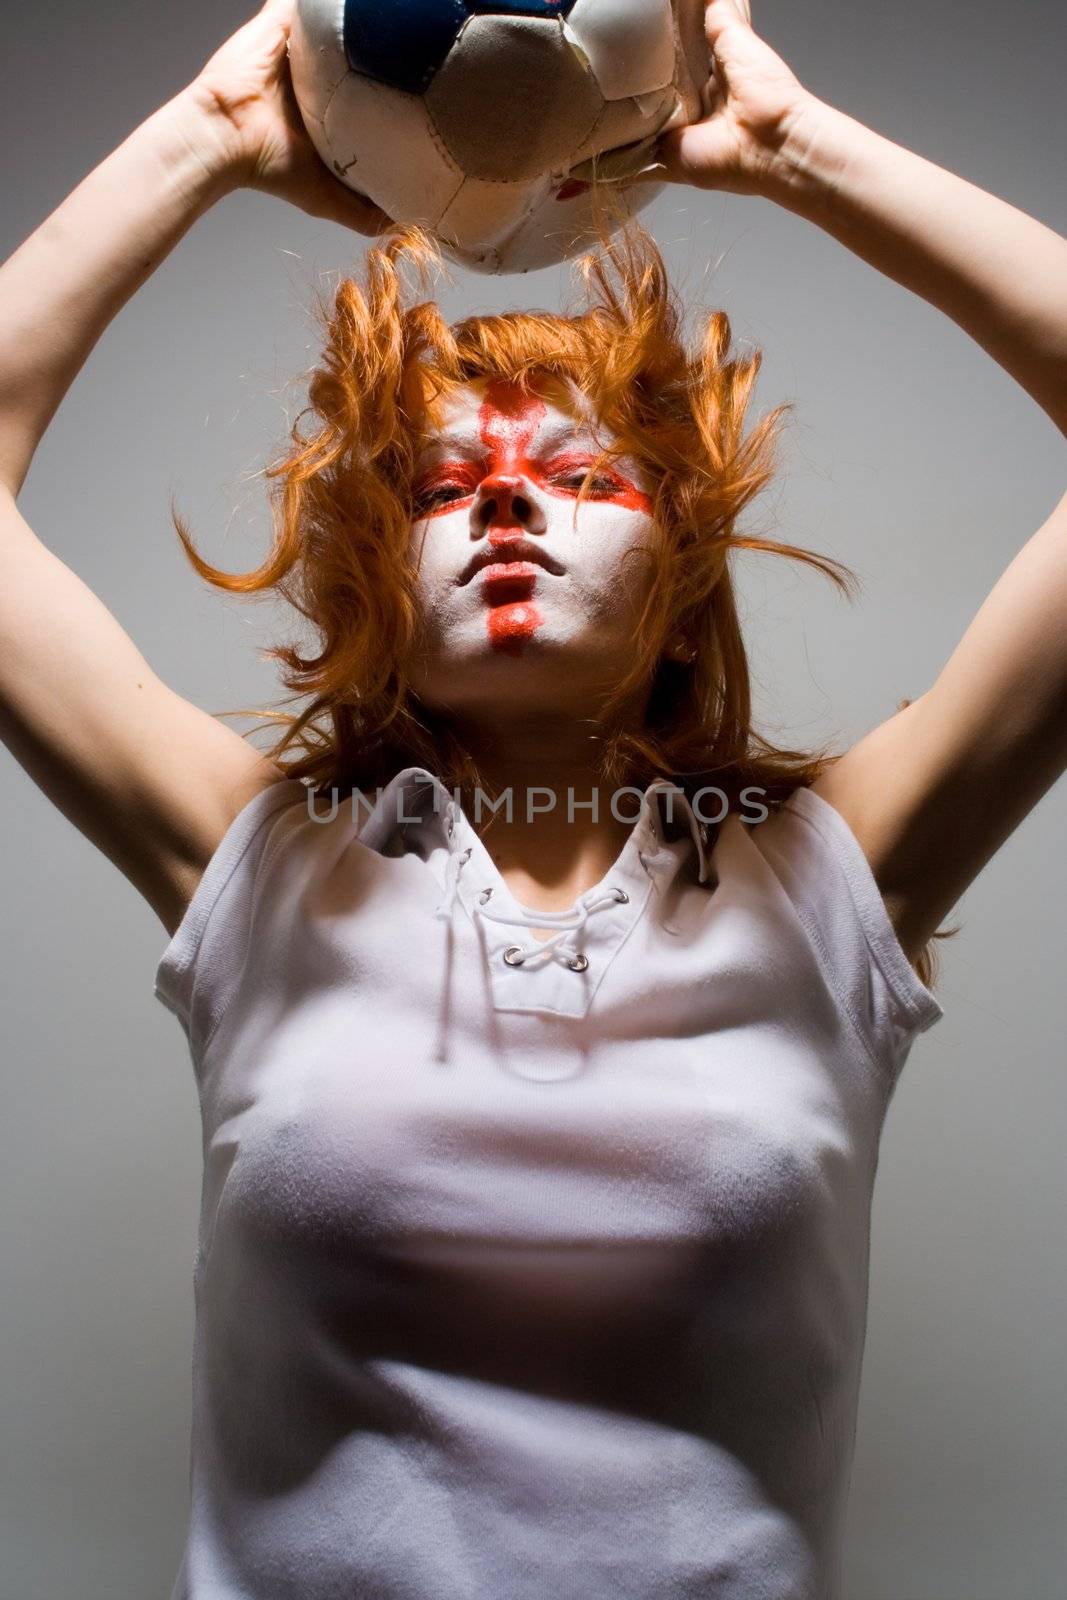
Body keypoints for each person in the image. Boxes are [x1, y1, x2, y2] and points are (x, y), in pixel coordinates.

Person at [1, 0, 1063, 1595]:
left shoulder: (834, 879)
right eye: (444, 486)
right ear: (377, 569)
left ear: (681, 565)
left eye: (579, 478)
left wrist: (792, 153)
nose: (506, 503)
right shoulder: (260, 871)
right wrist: (211, 137)